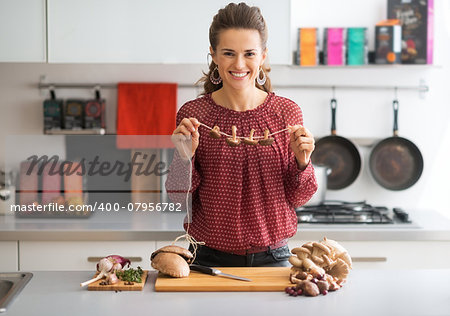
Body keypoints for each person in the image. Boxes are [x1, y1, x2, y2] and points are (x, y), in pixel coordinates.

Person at [166, 2, 317, 267]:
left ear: (263, 55)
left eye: (249, 53)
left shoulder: (286, 113)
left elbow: (300, 198)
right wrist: (183, 158)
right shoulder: (193, 116)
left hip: (274, 258)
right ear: (213, 54)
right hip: (207, 258)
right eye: (228, 53)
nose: (239, 64)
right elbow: (178, 197)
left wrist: (303, 162)